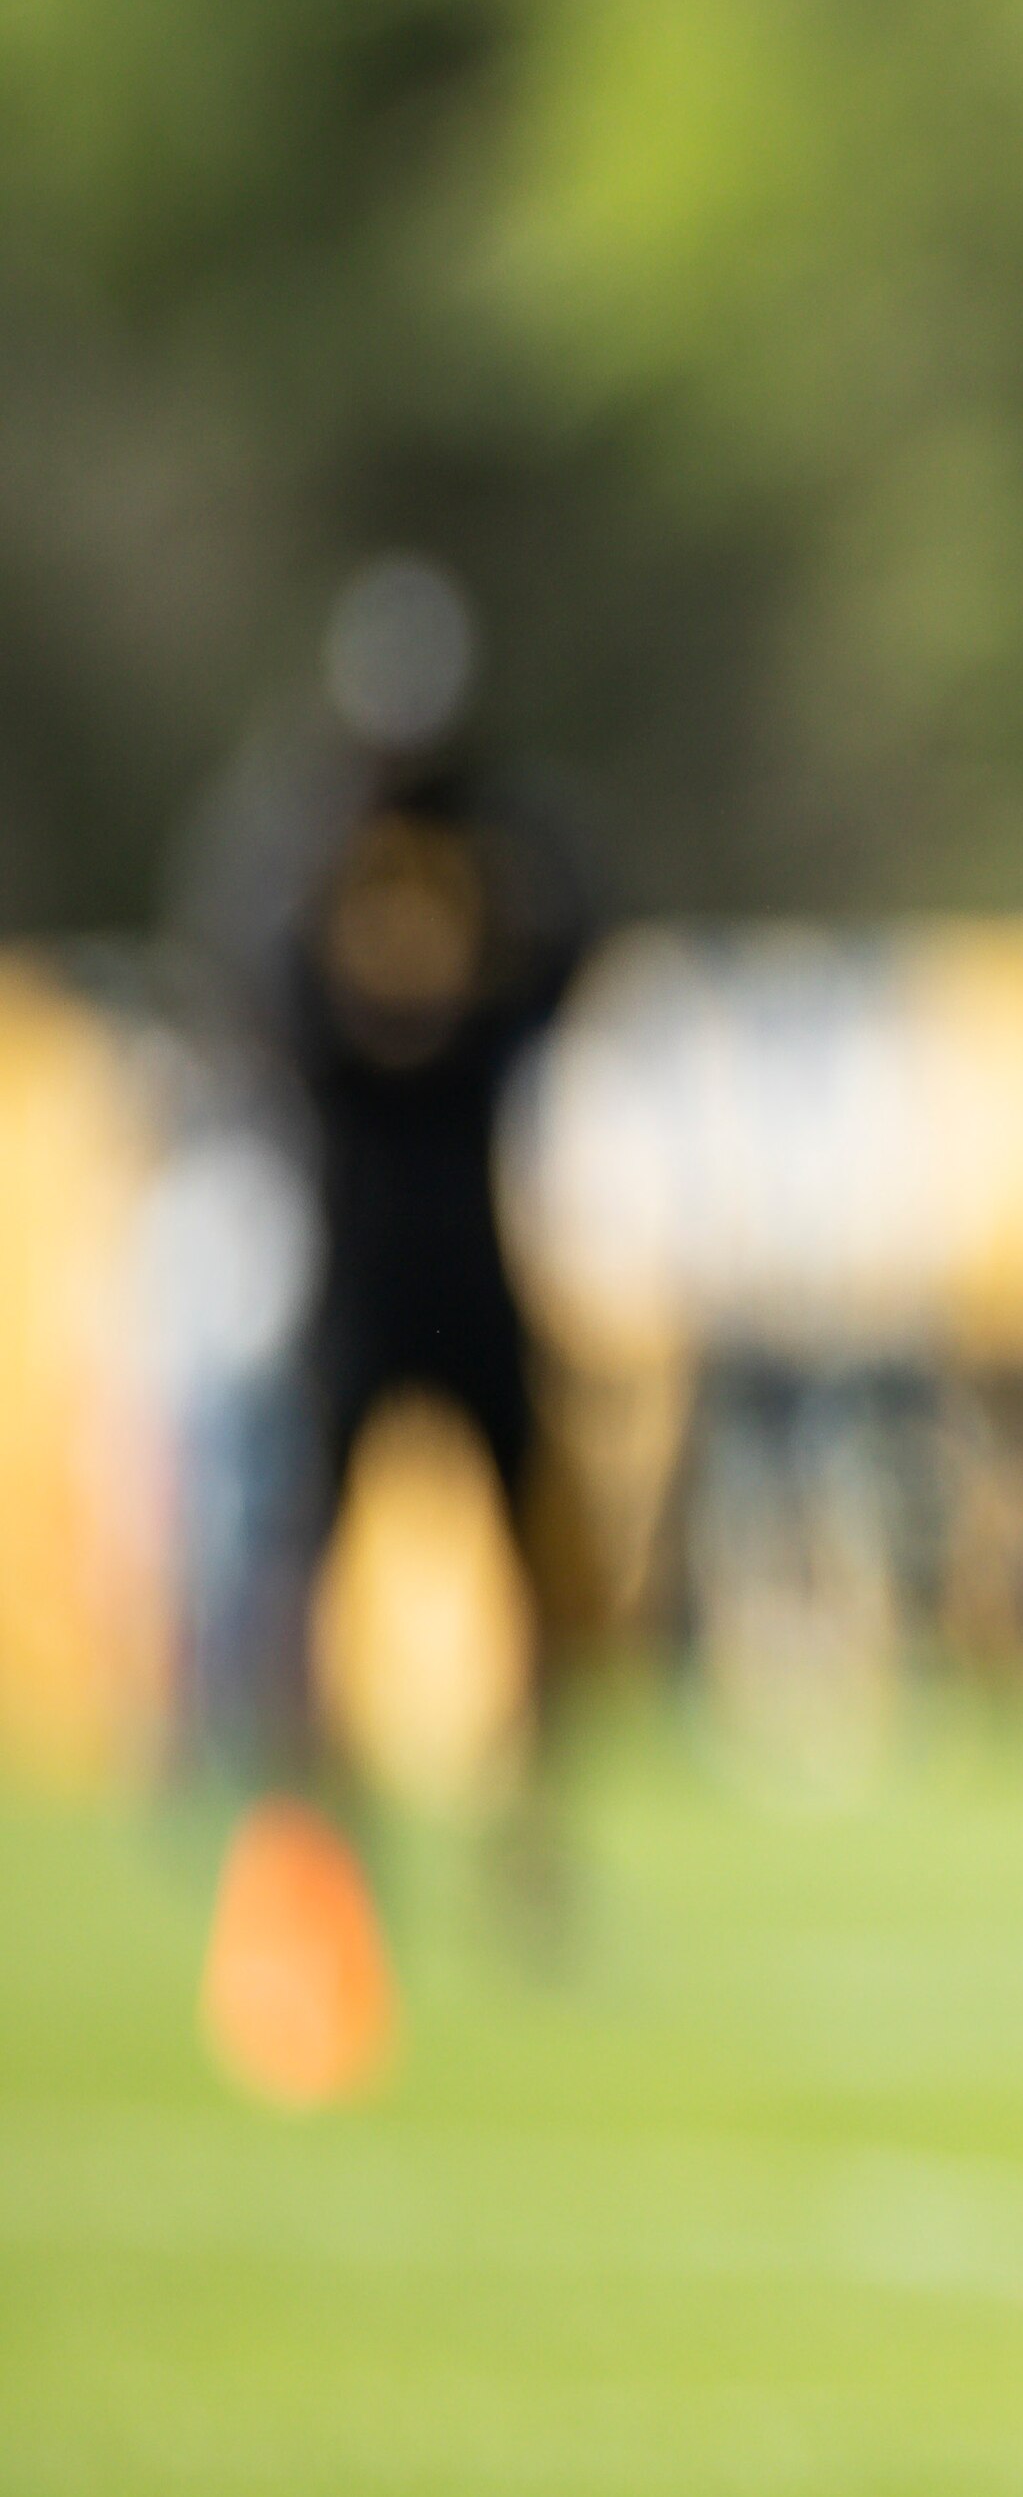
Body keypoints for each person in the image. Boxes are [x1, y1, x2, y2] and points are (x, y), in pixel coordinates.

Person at [184, 555, 598, 2032]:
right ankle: (325, 1840)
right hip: (355, 1247)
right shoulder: (304, 842)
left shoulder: (499, 840)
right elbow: (250, 992)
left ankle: (527, 1838)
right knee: (312, 1562)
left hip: (469, 1242)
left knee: (526, 1554)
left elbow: (576, 946)